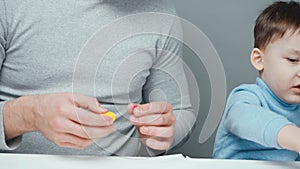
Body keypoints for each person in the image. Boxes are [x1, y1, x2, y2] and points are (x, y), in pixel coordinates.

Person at [0, 0, 195, 156]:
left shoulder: (160, 13)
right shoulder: (9, 6)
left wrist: (163, 131)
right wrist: (29, 115)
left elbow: (181, 112)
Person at [213, 1, 300, 161]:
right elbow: (242, 119)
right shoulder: (247, 97)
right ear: (259, 59)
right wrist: (293, 135)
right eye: (293, 59)